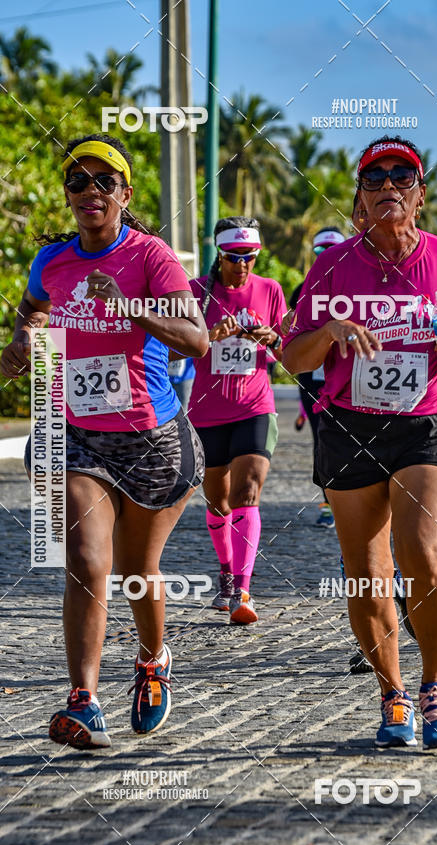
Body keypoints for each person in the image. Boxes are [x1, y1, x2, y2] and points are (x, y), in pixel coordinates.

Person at [283, 135, 437, 749]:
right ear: (358, 204)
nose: (388, 189)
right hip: (349, 425)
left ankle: (436, 685)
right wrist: (330, 331)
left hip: (427, 424)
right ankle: (392, 695)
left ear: (420, 196)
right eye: (374, 181)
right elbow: (291, 355)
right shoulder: (331, 267)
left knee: (425, 553)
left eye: (402, 179)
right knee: (366, 574)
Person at [0, 134, 208, 749]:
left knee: (138, 571)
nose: (90, 192)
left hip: (150, 437)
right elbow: (32, 310)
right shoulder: (54, 262)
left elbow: (196, 342)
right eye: (78, 182)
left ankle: (152, 661)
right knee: (90, 564)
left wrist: (132, 309)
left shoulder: (151, 257)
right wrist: (24, 340)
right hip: (77, 432)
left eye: (104, 181)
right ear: (67, 195)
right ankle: (84, 701)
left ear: (125, 193)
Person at [187, 218, 287, 624]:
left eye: (249, 257)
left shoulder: (270, 290)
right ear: (219, 254)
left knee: (248, 489)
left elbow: (288, 349)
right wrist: (210, 335)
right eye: (233, 257)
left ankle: (244, 588)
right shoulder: (196, 293)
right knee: (218, 501)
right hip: (208, 412)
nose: (242, 265)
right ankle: (226, 572)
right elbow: (176, 348)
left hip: (255, 406)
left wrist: (271, 339)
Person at [289, 227, 347, 528]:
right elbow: (292, 338)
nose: (325, 256)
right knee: (322, 440)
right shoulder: (302, 290)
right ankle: (328, 501)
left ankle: (352, 501)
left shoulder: (357, 284)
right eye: (319, 251)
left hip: (350, 377)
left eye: (331, 249)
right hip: (314, 379)